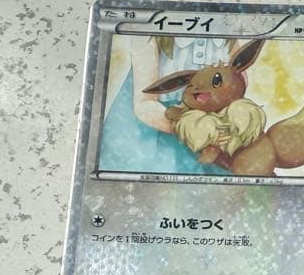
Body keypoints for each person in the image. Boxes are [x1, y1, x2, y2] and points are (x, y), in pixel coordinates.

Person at [99, 35, 237, 174]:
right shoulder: (151, 36)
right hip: (160, 127)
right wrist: (198, 131)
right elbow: (144, 103)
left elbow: (236, 84)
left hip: (215, 131)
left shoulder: (228, 33)